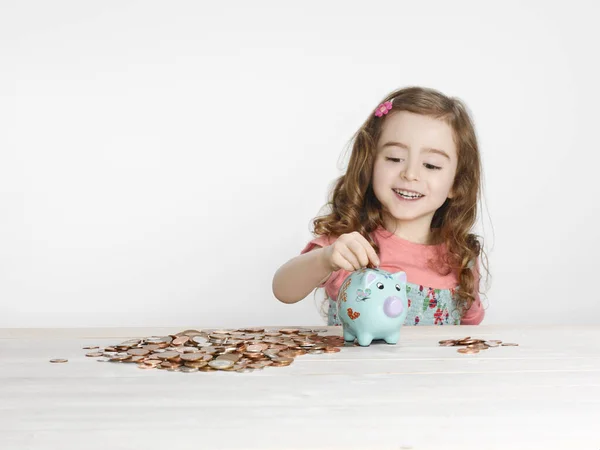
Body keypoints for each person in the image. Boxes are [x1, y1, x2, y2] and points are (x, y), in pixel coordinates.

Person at [272, 86, 489, 326]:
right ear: (370, 164)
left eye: (431, 165)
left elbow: (469, 332)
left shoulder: (461, 256)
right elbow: (283, 290)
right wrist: (324, 260)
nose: (410, 174)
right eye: (395, 158)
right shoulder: (350, 243)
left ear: (457, 183)